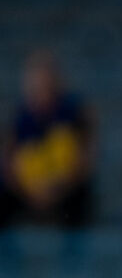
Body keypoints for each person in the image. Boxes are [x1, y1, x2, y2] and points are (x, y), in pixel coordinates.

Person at [0, 49, 97, 228]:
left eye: (47, 85)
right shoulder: (20, 118)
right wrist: (32, 193)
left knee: (80, 205)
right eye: (37, 87)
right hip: (28, 191)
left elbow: (85, 162)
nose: (42, 92)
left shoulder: (73, 115)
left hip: (65, 189)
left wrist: (57, 190)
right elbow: (8, 166)